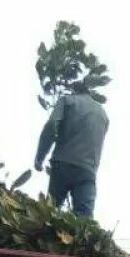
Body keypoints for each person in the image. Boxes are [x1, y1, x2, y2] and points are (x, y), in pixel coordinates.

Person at [35, 85, 109, 218]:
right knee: (84, 220)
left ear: (75, 92)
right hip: (87, 171)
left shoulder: (68, 101)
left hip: (63, 163)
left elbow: (52, 126)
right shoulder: (103, 114)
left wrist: (39, 158)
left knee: (49, 214)